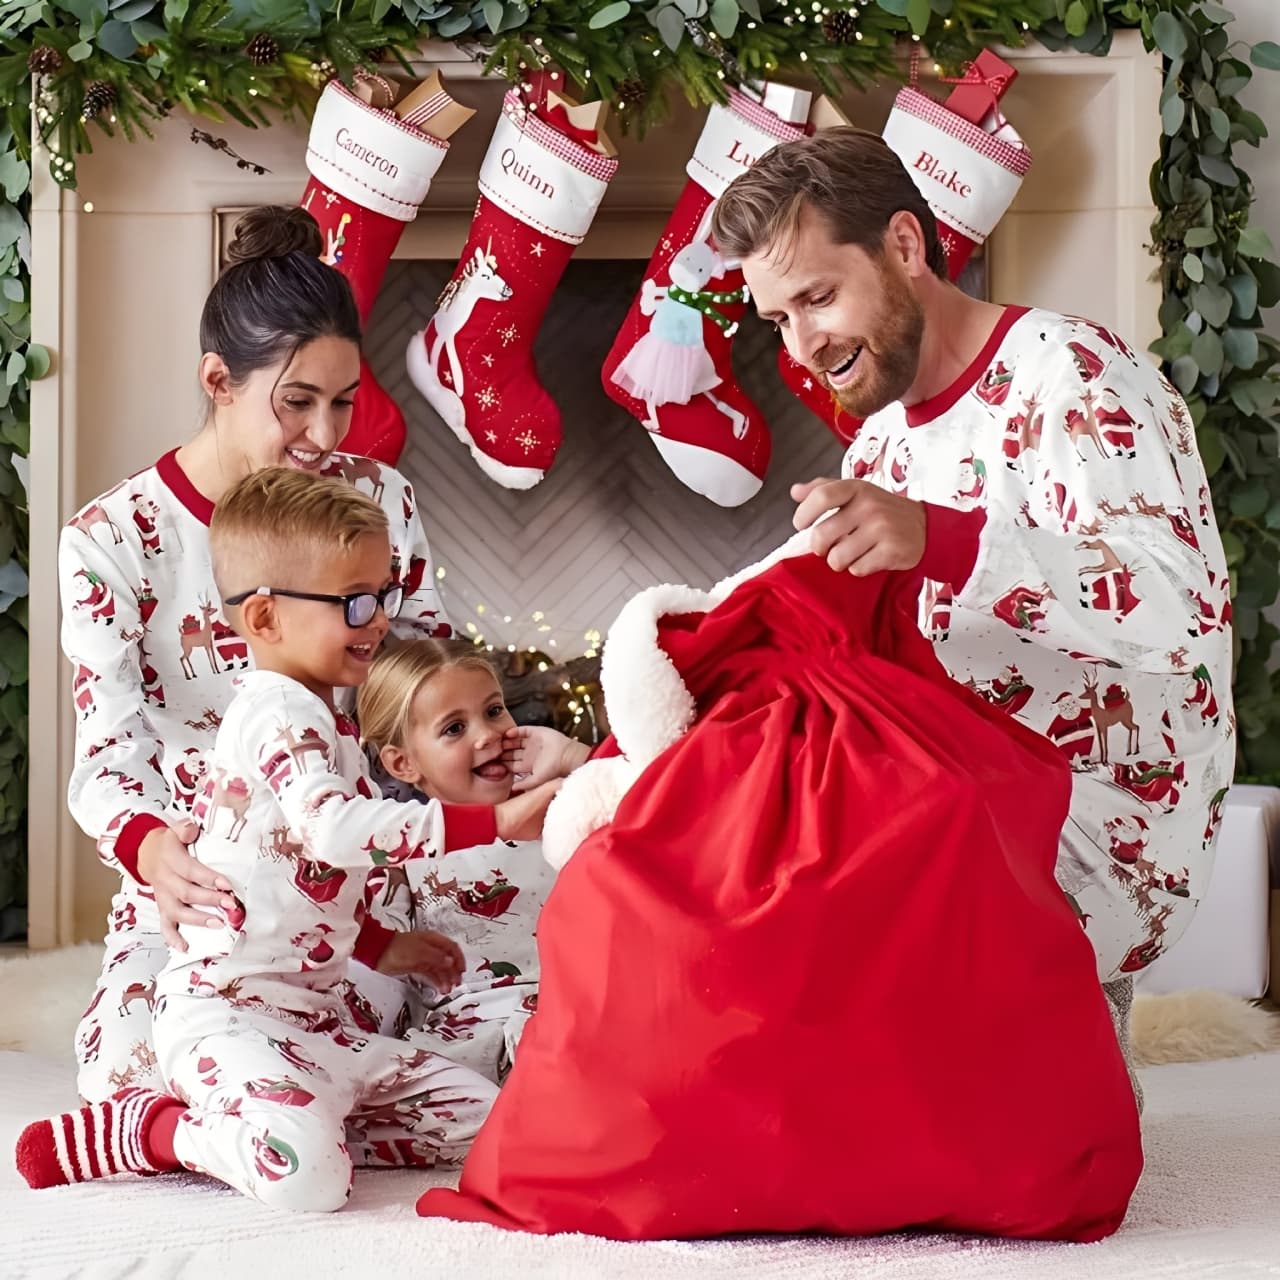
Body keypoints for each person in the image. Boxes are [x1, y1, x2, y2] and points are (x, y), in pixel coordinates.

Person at [710, 128, 1234, 1015]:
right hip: (954, 797)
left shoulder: (1077, 375)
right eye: (778, 320)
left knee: (818, 943)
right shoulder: (879, 442)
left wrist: (942, 540)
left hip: (1102, 825)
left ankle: (1053, 1048)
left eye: (819, 298)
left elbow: (1180, 605)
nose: (801, 346)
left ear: (905, 246)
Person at [17, 468, 560, 1210]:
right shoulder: (276, 713)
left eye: (382, 596)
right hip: (227, 1013)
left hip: (316, 1024)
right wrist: (492, 822)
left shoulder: (326, 719)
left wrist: (377, 950)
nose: (377, 622)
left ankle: (294, 1119)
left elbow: (297, 882)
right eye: (355, 603)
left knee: (490, 1119)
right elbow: (331, 832)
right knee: (309, 1181)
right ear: (266, 619)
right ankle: (153, 1134)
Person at [61, 206, 455, 1103]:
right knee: (124, 1073)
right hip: (202, 877)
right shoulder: (113, 540)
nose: (326, 435)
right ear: (218, 380)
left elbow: (422, 673)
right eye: (297, 402)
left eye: (345, 400)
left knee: (408, 1013)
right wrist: (154, 850)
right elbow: (108, 753)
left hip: (344, 864)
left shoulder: (378, 497)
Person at [357, 639, 591, 1080]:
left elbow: (663, 803)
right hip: (471, 1047)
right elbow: (359, 949)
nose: (487, 735)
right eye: (453, 728)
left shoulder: (565, 806)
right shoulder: (400, 861)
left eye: (494, 710)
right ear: (404, 763)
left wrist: (576, 758)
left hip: (582, 1015)